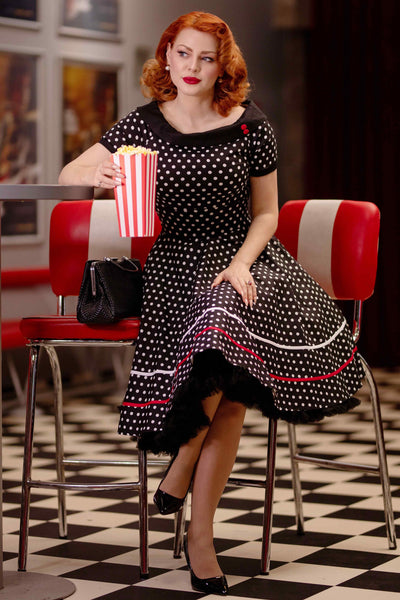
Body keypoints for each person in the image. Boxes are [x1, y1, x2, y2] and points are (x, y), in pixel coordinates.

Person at [59, 11, 364, 595]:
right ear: (166, 56)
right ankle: (201, 538)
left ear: (222, 64)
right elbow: (72, 168)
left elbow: (269, 214)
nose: (193, 67)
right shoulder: (143, 124)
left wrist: (242, 263)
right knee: (224, 386)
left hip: (244, 260)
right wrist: (102, 172)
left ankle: (186, 497)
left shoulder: (250, 124)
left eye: (206, 57)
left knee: (226, 325)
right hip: (174, 268)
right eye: (183, 54)